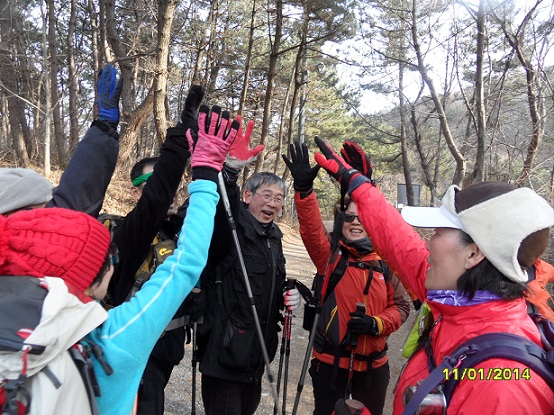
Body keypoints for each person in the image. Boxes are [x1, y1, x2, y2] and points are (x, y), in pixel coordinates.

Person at [0, 103, 238, 415]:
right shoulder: (110, 340)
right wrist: (206, 172)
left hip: (166, 352)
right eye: (107, 260)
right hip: (139, 353)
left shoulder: (13, 319)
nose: (113, 262)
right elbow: (186, 258)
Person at [312, 136, 554, 415]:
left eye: (438, 233)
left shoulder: (501, 385)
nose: (427, 242)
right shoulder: (459, 300)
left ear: (473, 254)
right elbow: (401, 244)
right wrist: (362, 189)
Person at [283, 141, 410, 415]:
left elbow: (402, 308)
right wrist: (304, 191)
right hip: (331, 365)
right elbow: (310, 228)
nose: (355, 222)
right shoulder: (330, 256)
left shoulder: (386, 262)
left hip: (373, 369)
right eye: (349, 217)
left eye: (362, 216)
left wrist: (376, 324)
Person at [104, 85, 205, 415]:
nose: (167, 194)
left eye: (171, 187)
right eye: (152, 186)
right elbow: (155, 200)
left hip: (165, 354)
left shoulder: (178, 230)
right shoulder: (128, 232)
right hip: (134, 351)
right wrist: (180, 139)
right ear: (137, 194)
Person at [197, 118, 301, 415]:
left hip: (257, 355)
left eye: (278, 199)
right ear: (247, 196)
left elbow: (268, 285)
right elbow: (220, 208)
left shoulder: (274, 238)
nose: (272, 203)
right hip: (226, 355)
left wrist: (288, 294)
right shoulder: (230, 230)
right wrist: (229, 173)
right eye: (266, 195)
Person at [0, 63, 122, 217]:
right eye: (47, 206)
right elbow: (69, 208)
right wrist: (105, 125)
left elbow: (71, 201)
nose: (51, 209)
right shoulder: (44, 234)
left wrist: (104, 126)